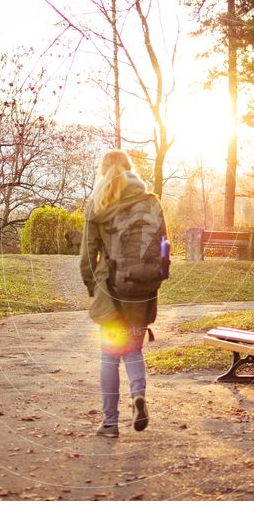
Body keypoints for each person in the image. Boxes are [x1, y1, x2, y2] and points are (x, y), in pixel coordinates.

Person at [80, 149, 167, 438]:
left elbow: (87, 256)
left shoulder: (98, 203)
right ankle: (138, 395)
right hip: (142, 290)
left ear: (103, 171)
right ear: (131, 169)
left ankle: (109, 423)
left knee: (109, 356)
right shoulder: (151, 201)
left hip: (112, 290)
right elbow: (163, 246)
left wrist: (95, 288)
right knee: (133, 350)